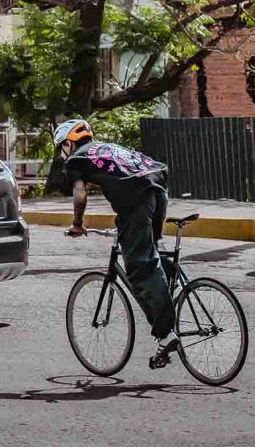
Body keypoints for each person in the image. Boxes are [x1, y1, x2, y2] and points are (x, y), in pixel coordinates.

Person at [54, 118, 179, 370]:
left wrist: (78, 223)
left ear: (69, 143)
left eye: (61, 147)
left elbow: (80, 193)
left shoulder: (76, 158)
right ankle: (169, 287)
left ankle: (166, 333)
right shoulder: (106, 147)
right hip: (157, 188)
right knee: (150, 251)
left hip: (136, 201)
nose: (63, 153)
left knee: (139, 266)